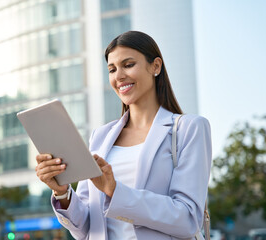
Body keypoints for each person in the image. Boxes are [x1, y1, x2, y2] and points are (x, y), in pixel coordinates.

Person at [35, 31, 212, 240]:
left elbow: (188, 219)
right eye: (112, 69)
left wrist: (115, 191)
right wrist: (62, 193)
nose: (118, 76)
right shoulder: (100, 137)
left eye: (128, 65)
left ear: (155, 66)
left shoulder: (189, 129)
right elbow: (84, 229)